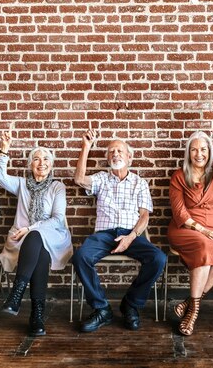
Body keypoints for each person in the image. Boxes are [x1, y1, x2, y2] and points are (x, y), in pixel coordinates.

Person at [72, 129, 167, 333]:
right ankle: (102, 309)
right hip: (104, 235)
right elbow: (79, 179)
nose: (115, 154)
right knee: (80, 257)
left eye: (120, 151)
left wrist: (131, 237)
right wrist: (86, 147)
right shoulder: (101, 179)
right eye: (111, 151)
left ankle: (131, 304)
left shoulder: (139, 183)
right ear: (107, 158)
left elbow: (144, 216)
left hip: (131, 234)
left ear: (129, 157)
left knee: (158, 258)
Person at [0, 131, 72, 336]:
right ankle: (37, 315)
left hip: (53, 237)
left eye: (46, 158)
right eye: (36, 158)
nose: (41, 162)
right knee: (39, 252)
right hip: (21, 242)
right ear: (30, 165)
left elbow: (57, 218)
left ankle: (16, 294)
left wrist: (30, 228)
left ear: (52, 164)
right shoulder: (21, 184)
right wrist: (4, 149)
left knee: (36, 236)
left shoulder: (57, 187)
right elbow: (0, 177)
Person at [167, 119, 213, 336]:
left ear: (209, 151)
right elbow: (179, 212)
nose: (199, 154)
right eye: (195, 150)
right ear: (188, 153)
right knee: (203, 246)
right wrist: (201, 229)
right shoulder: (179, 176)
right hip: (186, 228)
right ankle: (193, 313)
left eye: (204, 149)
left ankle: (190, 302)